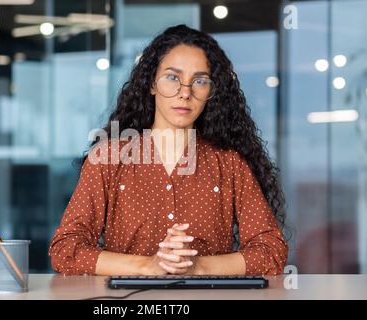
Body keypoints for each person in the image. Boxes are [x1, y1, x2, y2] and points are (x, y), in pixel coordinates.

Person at [49, 24, 289, 276]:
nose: (185, 93)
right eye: (173, 77)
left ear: (211, 91)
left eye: (199, 81)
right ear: (151, 84)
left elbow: (271, 251)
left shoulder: (229, 163)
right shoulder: (108, 159)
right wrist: (149, 265)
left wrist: (197, 266)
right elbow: (65, 250)